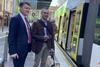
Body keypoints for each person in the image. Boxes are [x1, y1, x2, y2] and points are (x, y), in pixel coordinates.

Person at [8, 2, 31, 67]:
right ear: (20, 8)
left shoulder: (26, 19)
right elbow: (11, 36)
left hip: (25, 49)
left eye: (29, 8)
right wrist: (12, 51)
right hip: (18, 50)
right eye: (26, 8)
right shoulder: (15, 19)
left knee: (21, 65)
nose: (28, 10)